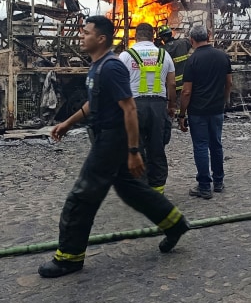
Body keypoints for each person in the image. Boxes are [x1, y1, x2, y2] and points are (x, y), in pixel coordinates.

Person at [39, 16, 190, 278]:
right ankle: (174, 224)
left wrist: (133, 151)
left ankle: (69, 257)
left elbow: (129, 107)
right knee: (133, 190)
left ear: (101, 39)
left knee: (82, 197)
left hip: (111, 139)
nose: (81, 37)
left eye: (86, 33)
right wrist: (67, 123)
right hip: (106, 136)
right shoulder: (98, 67)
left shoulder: (112, 67)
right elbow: (93, 104)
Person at [119, 23, 177, 194]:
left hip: (134, 106)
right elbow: (172, 83)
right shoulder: (164, 54)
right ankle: (158, 191)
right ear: (153, 37)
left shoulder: (125, 56)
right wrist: (172, 106)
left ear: (135, 36)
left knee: (136, 148)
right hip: (158, 106)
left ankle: (141, 190)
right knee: (157, 148)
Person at [178, 25, 233, 200]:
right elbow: (229, 83)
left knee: (201, 146)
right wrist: (222, 102)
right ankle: (218, 182)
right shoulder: (223, 56)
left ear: (192, 40)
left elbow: (186, 91)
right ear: (208, 37)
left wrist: (181, 114)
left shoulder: (192, 61)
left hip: (198, 112)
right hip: (216, 110)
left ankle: (204, 186)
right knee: (216, 144)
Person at [159, 24, 192, 94]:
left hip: (172, 86)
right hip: (185, 83)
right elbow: (190, 42)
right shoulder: (183, 42)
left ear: (163, 38)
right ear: (171, 33)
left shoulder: (162, 50)